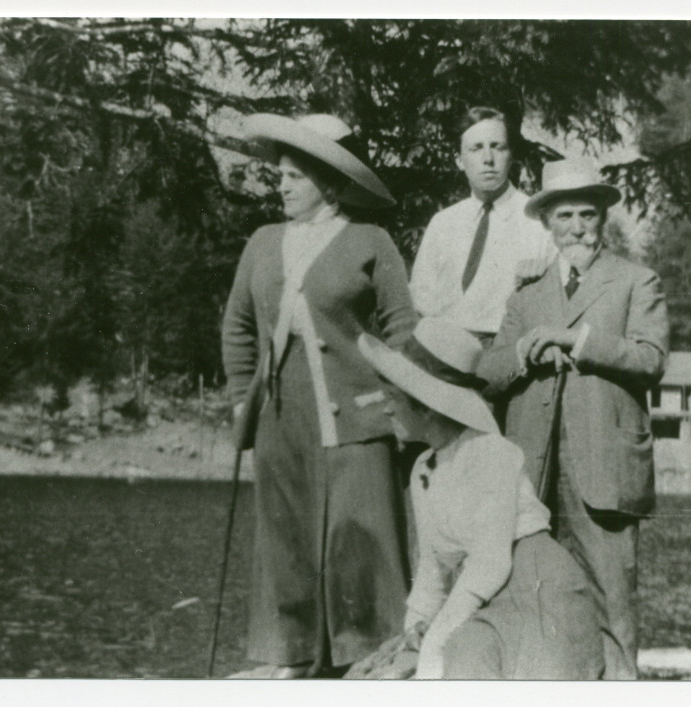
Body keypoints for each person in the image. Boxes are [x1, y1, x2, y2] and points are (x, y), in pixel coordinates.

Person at [221, 113, 416, 678]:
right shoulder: (263, 242)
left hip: (357, 418)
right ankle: (294, 653)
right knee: (285, 536)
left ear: (329, 183)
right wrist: (242, 399)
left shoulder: (369, 241)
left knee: (359, 538)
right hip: (280, 418)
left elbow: (402, 328)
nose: (281, 185)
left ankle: (367, 656)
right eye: (279, 175)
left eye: (295, 176)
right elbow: (236, 324)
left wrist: (397, 401)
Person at [477, 158, 670, 680]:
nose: (578, 227)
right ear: (547, 223)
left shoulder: (636, 280)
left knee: (612, 608)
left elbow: (651, 359)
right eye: (565, 217)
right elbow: (487, 373)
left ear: (603, 217)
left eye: (588, 214)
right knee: (536, 605)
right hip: (532, 476)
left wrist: (576, 342)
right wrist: (523, 353)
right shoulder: (525, 297)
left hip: (604, 471)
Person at [357, 318, 604, 680]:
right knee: (414, 664)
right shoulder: (424, 468)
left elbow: (490, 562)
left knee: (460, 659)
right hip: (484, 594)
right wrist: (415, 633)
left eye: (393, 398)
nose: (386, 409)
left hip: (538, 594)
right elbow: (432, 570)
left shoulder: (491, 453)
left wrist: (436, 640)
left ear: (426, 406)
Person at [409, 106, 555, 348]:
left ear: (511, 155)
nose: (488, 159)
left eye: (497, 147)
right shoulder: (443, 223)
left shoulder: (538, 223)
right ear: (459, 160)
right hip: (441, 349)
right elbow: (419, 299)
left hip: (506, 351)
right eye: (476, 148)